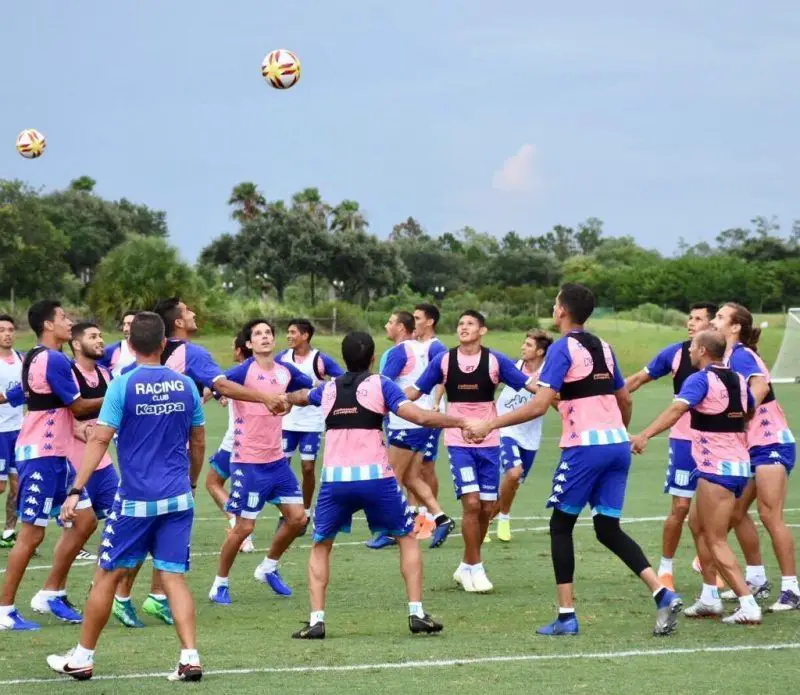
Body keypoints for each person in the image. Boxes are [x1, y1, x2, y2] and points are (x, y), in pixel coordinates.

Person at [464, 284, 682, 636]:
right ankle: (662, 593)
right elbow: (624, 398)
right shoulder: (605, 348)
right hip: (615, 448)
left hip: (586, 449)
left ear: (562, 311)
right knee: (607, 528)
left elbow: (537, 404)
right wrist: (616, 431)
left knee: (560, 526)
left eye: (554, 304)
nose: (553, 308)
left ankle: (566, 616)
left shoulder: (563, 348)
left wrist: (490, 423)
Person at [46, 311, 206, 681]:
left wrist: (75, 489)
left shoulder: (122, 384)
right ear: (165, 344)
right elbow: (198, 442)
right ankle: (190, 657)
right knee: (173, 577)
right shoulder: (186, 385)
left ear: (130, 346)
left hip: (135, 501)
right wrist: (192, 482)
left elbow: (100, 439)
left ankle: (83, 657)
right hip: (178, 497)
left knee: (106, 576)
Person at [114, 298, 288, 625]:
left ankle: (156, 596)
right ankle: (123, 596)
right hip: (167, 456)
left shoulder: (143, 359)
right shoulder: (191, 353)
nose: (194, 313)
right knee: (155, 526)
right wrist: (265, 398)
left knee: (164, 525)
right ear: (178, 322)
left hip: (140, 450)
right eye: (188, 311)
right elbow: (221, 384)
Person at [286, 332, 465, 638]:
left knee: (321, 546)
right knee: (407, 537)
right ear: (372, 358)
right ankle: (416, 612)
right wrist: (460, 422)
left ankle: (317, 620)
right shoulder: (381, 384)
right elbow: (420, 417)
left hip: (335, 481)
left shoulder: (328, 388)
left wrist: (283, 399)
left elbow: (303, 396)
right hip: (376, 479)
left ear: (343, 359)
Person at [630, 330, 761, 624]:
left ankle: (747, 602)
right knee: (697, 523)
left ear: (702, 350)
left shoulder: (699, 379)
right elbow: (749, 411)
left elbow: (677, 410)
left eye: (692, 348)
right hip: (737, 464)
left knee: (715, 539)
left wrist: (645, 435)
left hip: (717, 467)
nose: (689, 352)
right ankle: (709, 597)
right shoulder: (738, 380)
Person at [407, 310, 535, 593]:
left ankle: (467, 565)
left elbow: (530, 385)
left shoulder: (495, 360)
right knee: (472, 504)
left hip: (489, 441)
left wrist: (562, 393)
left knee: (488, 507)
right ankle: (477, 568)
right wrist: (378, 391)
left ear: (482, 331)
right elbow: (414, 392)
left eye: (470, 324)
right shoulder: (444, 360)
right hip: (458, 440)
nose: (464, 327)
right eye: (461, 324)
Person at [0, 300, 101, 631]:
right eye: (63, 317)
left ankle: (50, 593)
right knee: (31, 535)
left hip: (57, 454)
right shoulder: (55, 359)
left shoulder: (32, 356)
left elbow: (17, 395)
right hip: (41, 455)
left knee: (85, 520)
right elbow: (80, 407)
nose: (69, 321)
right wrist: (120, 392)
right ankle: (4, 610)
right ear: (48, 325)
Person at [208, 319, 313, 604]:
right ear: (249, 344)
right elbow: (220, 387)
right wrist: (214, 394)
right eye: (258, 334)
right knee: (244, 528)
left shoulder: (285, 370)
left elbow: (305, 391)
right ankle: (219, 584)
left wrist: (289, 400)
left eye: (268, 333)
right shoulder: (243, 370)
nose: (265, 337)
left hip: (277, 461)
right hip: (248, 461)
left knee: (298, 518)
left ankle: (268, 568)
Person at [625, 302, 718, 590]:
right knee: (680, 507)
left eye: (698, 319)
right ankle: (666, 569)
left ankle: (709, 565)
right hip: (684, 440)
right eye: (689, 318)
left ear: (713, 326)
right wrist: (602, 395)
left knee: (719, 511)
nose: (690, 322)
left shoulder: (728, 359)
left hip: (719, 443)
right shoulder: (676, 353)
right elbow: (639, 379)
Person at [29, 323, 118, 623]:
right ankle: (55, 590)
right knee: (77, 526)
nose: (100, 340)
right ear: (77, 344)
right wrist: (81, 428)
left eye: (100, 335)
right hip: (74, 462)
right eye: (93, 336)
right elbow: (68, 410)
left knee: (119, 522)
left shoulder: (105, 374)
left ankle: (99, 590)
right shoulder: (66, 371)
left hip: (102, 463)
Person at [713, 302, 798, 611]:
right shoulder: (725, 357)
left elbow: (759, 386)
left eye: (720, 317)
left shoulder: (741, 355)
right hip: (750, 448)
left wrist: (739, 412)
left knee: (769, 514)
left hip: (771, 443)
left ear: (736, 327)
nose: (714, 320)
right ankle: (757, 579)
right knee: (735, 514)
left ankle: (792, 588)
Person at [368, 311, 454, 550]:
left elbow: (380, 385)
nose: (387, 325)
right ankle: (441, 518)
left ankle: (392, 530)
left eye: (391, 322)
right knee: (411, 477)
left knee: (392, 476)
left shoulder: (400, 351)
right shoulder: (420, 349)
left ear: (401, 328)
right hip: (421, 421)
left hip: (406, 422)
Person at [276, 318, 344, 533]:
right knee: (282, 466)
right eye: (288, 332)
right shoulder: (282, 358)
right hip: (288, 421)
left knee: (307, 468)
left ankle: (305, 512)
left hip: (312, 422)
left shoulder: (320, 359)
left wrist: (320, 385)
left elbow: (341, 379)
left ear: (305, 336)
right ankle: (285, 513)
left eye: (293, 332)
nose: (288, 336)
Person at [494, 329, 552, 541]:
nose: (522, 348)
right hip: (504, 429)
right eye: (524, 343)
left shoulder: (549, 374)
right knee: (513, 473)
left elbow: (554, 401)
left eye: (528, 345)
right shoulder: (512, 366)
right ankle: (504, 518)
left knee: (513, 484)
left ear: (540, 351)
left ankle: (485, 521)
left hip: (530, 437)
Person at [205, 332, 255, 553]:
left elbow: (212, 387)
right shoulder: (267, 370)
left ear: (239, 350)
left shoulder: (235, 374)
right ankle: (241, 528)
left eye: (233, 345)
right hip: (259, 440)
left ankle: (240, 530)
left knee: (213, 482)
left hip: (237, 439)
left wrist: (209, 395)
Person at [412, 303, 448, 536]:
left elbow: (445, 375)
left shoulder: (437, 347)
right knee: (413, 466)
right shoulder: (414, 346)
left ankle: (430, 517)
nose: (414, 322)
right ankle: (420, 514)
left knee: (426, 466)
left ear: (430, 321)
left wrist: (436, 401)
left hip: (431, 414)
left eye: (417, 318)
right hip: (414, 413)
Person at [0, 314, 23, 549]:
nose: (7, 334)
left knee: (18, 485)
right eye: (2, 330)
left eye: (10, 329)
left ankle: (9, 531)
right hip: (0, 432)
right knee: (1, 486)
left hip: (19, 431)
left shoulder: (21, 359)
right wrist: (13, 395)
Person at [101, 310, 137, 377]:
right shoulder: (112, 350)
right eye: (124, 324)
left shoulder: (151, 351)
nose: (125, 329)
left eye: (130, 324)